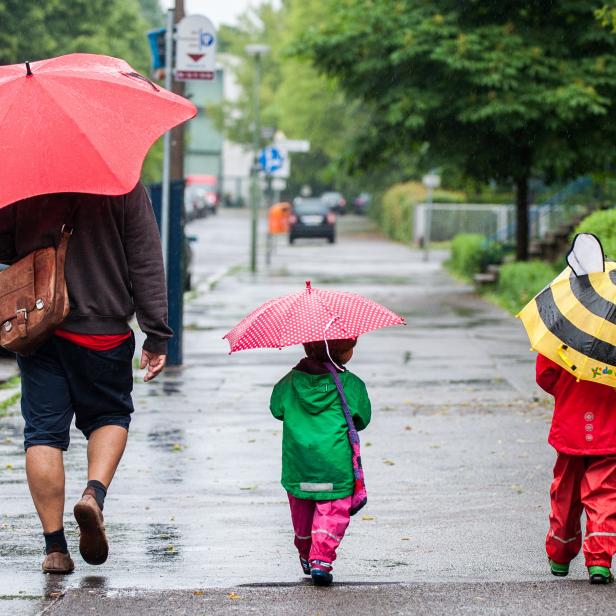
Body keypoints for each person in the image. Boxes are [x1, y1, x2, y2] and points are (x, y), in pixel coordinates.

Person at [0, 182, 171, 574]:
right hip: (103, 328)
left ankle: (55, 548)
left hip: (40, 325)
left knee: (42, 432)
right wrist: (156, 334)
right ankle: (93, 494)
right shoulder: (122, 183)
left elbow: (5, 245)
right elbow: (144, 259)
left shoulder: (30, 179)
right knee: (110, 416)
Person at [269, 338, 371, 586]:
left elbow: (276, 409)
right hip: (335, 465)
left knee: (302, 512)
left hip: (298, 464)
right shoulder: (351, 384)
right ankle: (321, 560)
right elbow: (362, 419)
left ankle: (306, 553)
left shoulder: (288, 382)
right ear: (343, 353)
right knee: (333, 511)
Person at [537, 353, 616, 584]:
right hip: (609, 428)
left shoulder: (568, 330)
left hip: (571, 424)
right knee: (605, 493)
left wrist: (566, 389)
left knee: (565, 492)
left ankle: (560, 555)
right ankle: (599, 562)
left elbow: (545, 375)